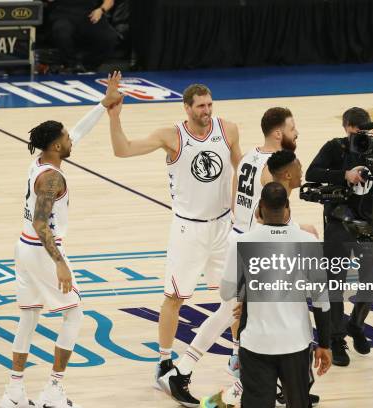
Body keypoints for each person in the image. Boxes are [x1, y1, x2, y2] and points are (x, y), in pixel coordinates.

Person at [107, 82, 242, 405]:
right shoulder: (171, 136)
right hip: (188, 229)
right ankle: (164, 362)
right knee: (174, 297)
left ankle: (238, 357)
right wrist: (115, 116)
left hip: (224, 226)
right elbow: (122, 149)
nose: (207, 111)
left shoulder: (229, 129)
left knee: (238, 296)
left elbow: (243, 170)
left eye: (210, 105)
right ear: (186, 108)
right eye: (200, 106)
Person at [0, 74, 122, 408]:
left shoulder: (40, 160)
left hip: (23, 248)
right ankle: (53, 390)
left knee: (28, 316)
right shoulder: (51, 178)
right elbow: (41, 224)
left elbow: (78, 132)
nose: (71, 140)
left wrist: (102, 103)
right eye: (65, 138)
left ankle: (13, 392)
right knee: (74, 315)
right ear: (56, 146)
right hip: (41, 249)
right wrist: (60, 264)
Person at [201, 150, 321, 408]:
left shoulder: (259, 230)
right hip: (291, 338)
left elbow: (231, 289)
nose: (303, 169)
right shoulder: (299, 236)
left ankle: (238, 369)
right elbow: (320, 296)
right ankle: (237, 371)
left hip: (259, 336)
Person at [305, 107, 373, 367]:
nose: (360, 135)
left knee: (371, 282)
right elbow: (311, 174)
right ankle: (336, 339)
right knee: (334, 282)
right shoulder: (335, 148)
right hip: (339, 222)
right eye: (355, 130)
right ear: (345, 126)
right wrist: (343, 175)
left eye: (364, 130)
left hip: (370, 224)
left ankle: (356, 325)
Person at [220, 182, 332, 408]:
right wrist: (325, 344)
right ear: (287, 209)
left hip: (256, 343)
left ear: (259, 209)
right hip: (296, 342)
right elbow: (322, 300)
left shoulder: (242, 242)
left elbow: (226, 291)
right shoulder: (308, 241)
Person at [47, 0, 119, 72]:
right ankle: (71, 64)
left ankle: (87, 66)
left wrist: (101, 10)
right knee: (62, 31)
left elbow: (109, 1)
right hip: (63, 14)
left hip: (90, 14)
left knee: (109, 37)